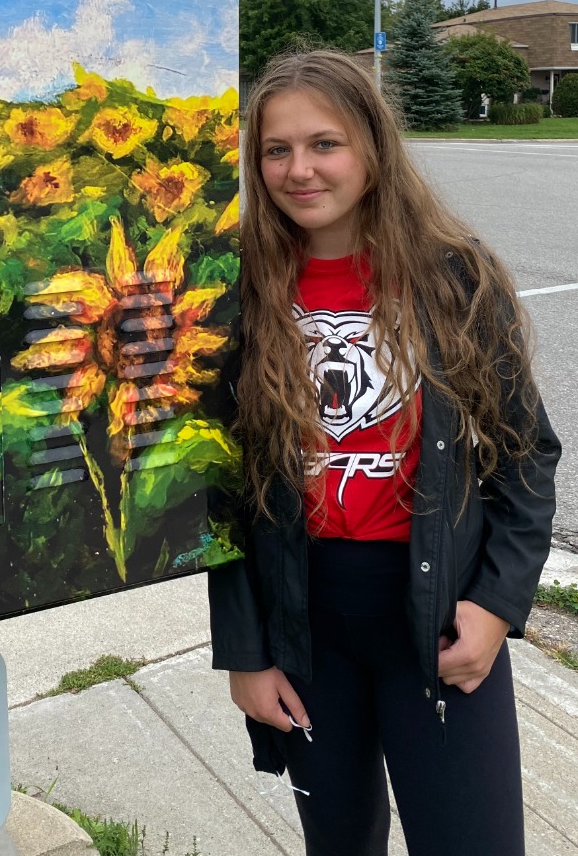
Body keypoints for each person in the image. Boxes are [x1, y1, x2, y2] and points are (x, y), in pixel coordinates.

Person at [208, 48, 560, 856]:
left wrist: (498, 605)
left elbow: (526, 452)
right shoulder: (241, 293)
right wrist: (247, 651)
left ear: (372, 145)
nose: (299, 169)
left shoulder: (453, 276)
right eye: (276, 148)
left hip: (435, 613)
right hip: (307, 623)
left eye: (323, 143)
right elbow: (219, 492)